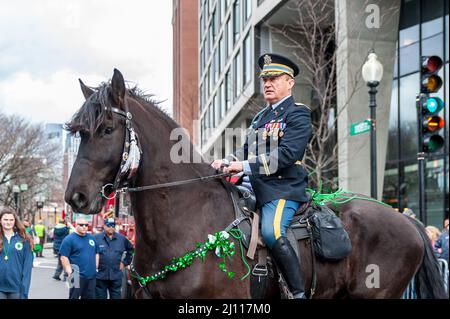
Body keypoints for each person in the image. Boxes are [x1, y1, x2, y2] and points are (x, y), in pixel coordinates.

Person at [211, 53, 312, 299]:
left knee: (272, 232)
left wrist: (244, 166)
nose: (267, 83)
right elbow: (245, 150)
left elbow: (287, 155)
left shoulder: (297, 114)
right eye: (265, 78)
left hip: (282, 190)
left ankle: (298, 293)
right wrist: (228, 161)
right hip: (253, 188)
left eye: (274, 78)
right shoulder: (260, 118)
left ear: (290, 83)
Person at [59, 218, 98, 299]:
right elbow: (63, 257)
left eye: (86, 225)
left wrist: (96, 267)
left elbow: (97, 253)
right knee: (74, 297)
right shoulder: (69, 239)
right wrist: (68, 270)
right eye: (81, 225)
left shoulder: (92, 238)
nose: (84, 227)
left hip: (91, 276)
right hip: (75, 275)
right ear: (76, 225)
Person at [94, 218, 134, 299]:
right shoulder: (96, 238)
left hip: (116, 276)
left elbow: (131, 250)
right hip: (100, 276)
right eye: (109, 225)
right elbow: (90, 253)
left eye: (113, 225)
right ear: (104, 226)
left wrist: (125, 262)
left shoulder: (122, 239)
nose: (111, 227)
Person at [0, 208, 34, 299]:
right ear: (0, 220)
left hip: (16, 289)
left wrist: (24, 292)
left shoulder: (24, 239)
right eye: (5, 219)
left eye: (11, 220)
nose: (8, 222)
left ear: (15, 221)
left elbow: (27, 269)